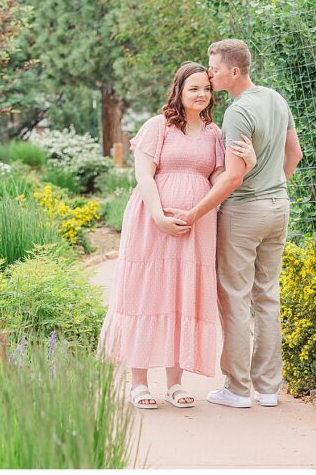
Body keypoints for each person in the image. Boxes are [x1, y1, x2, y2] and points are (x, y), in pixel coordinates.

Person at [99, 61, 256, 409]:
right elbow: (143, 175)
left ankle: (174, 381)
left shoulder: (215, 133)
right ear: (179, 91)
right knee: (147, 295)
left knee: (181, 296)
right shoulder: (159, 126)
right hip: (152, 223)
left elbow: (221, 179)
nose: (201, 94)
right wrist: (159, 216)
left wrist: (248, 165)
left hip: (196, 226)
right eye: (193, 89)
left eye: (206, 88)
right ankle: (138, 382)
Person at [177, 39, 303, 409]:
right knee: (267, 297)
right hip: (278, 207)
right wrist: (272, 186)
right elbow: (293, 154)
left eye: (213, 68)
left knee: (234, 299)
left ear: (234, 71)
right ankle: (267, 389)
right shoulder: (276, 99)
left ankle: (236, 388)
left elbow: (232, 178)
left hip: (244, 213)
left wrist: (196, 213)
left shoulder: (237, 113)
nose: (209, 74)